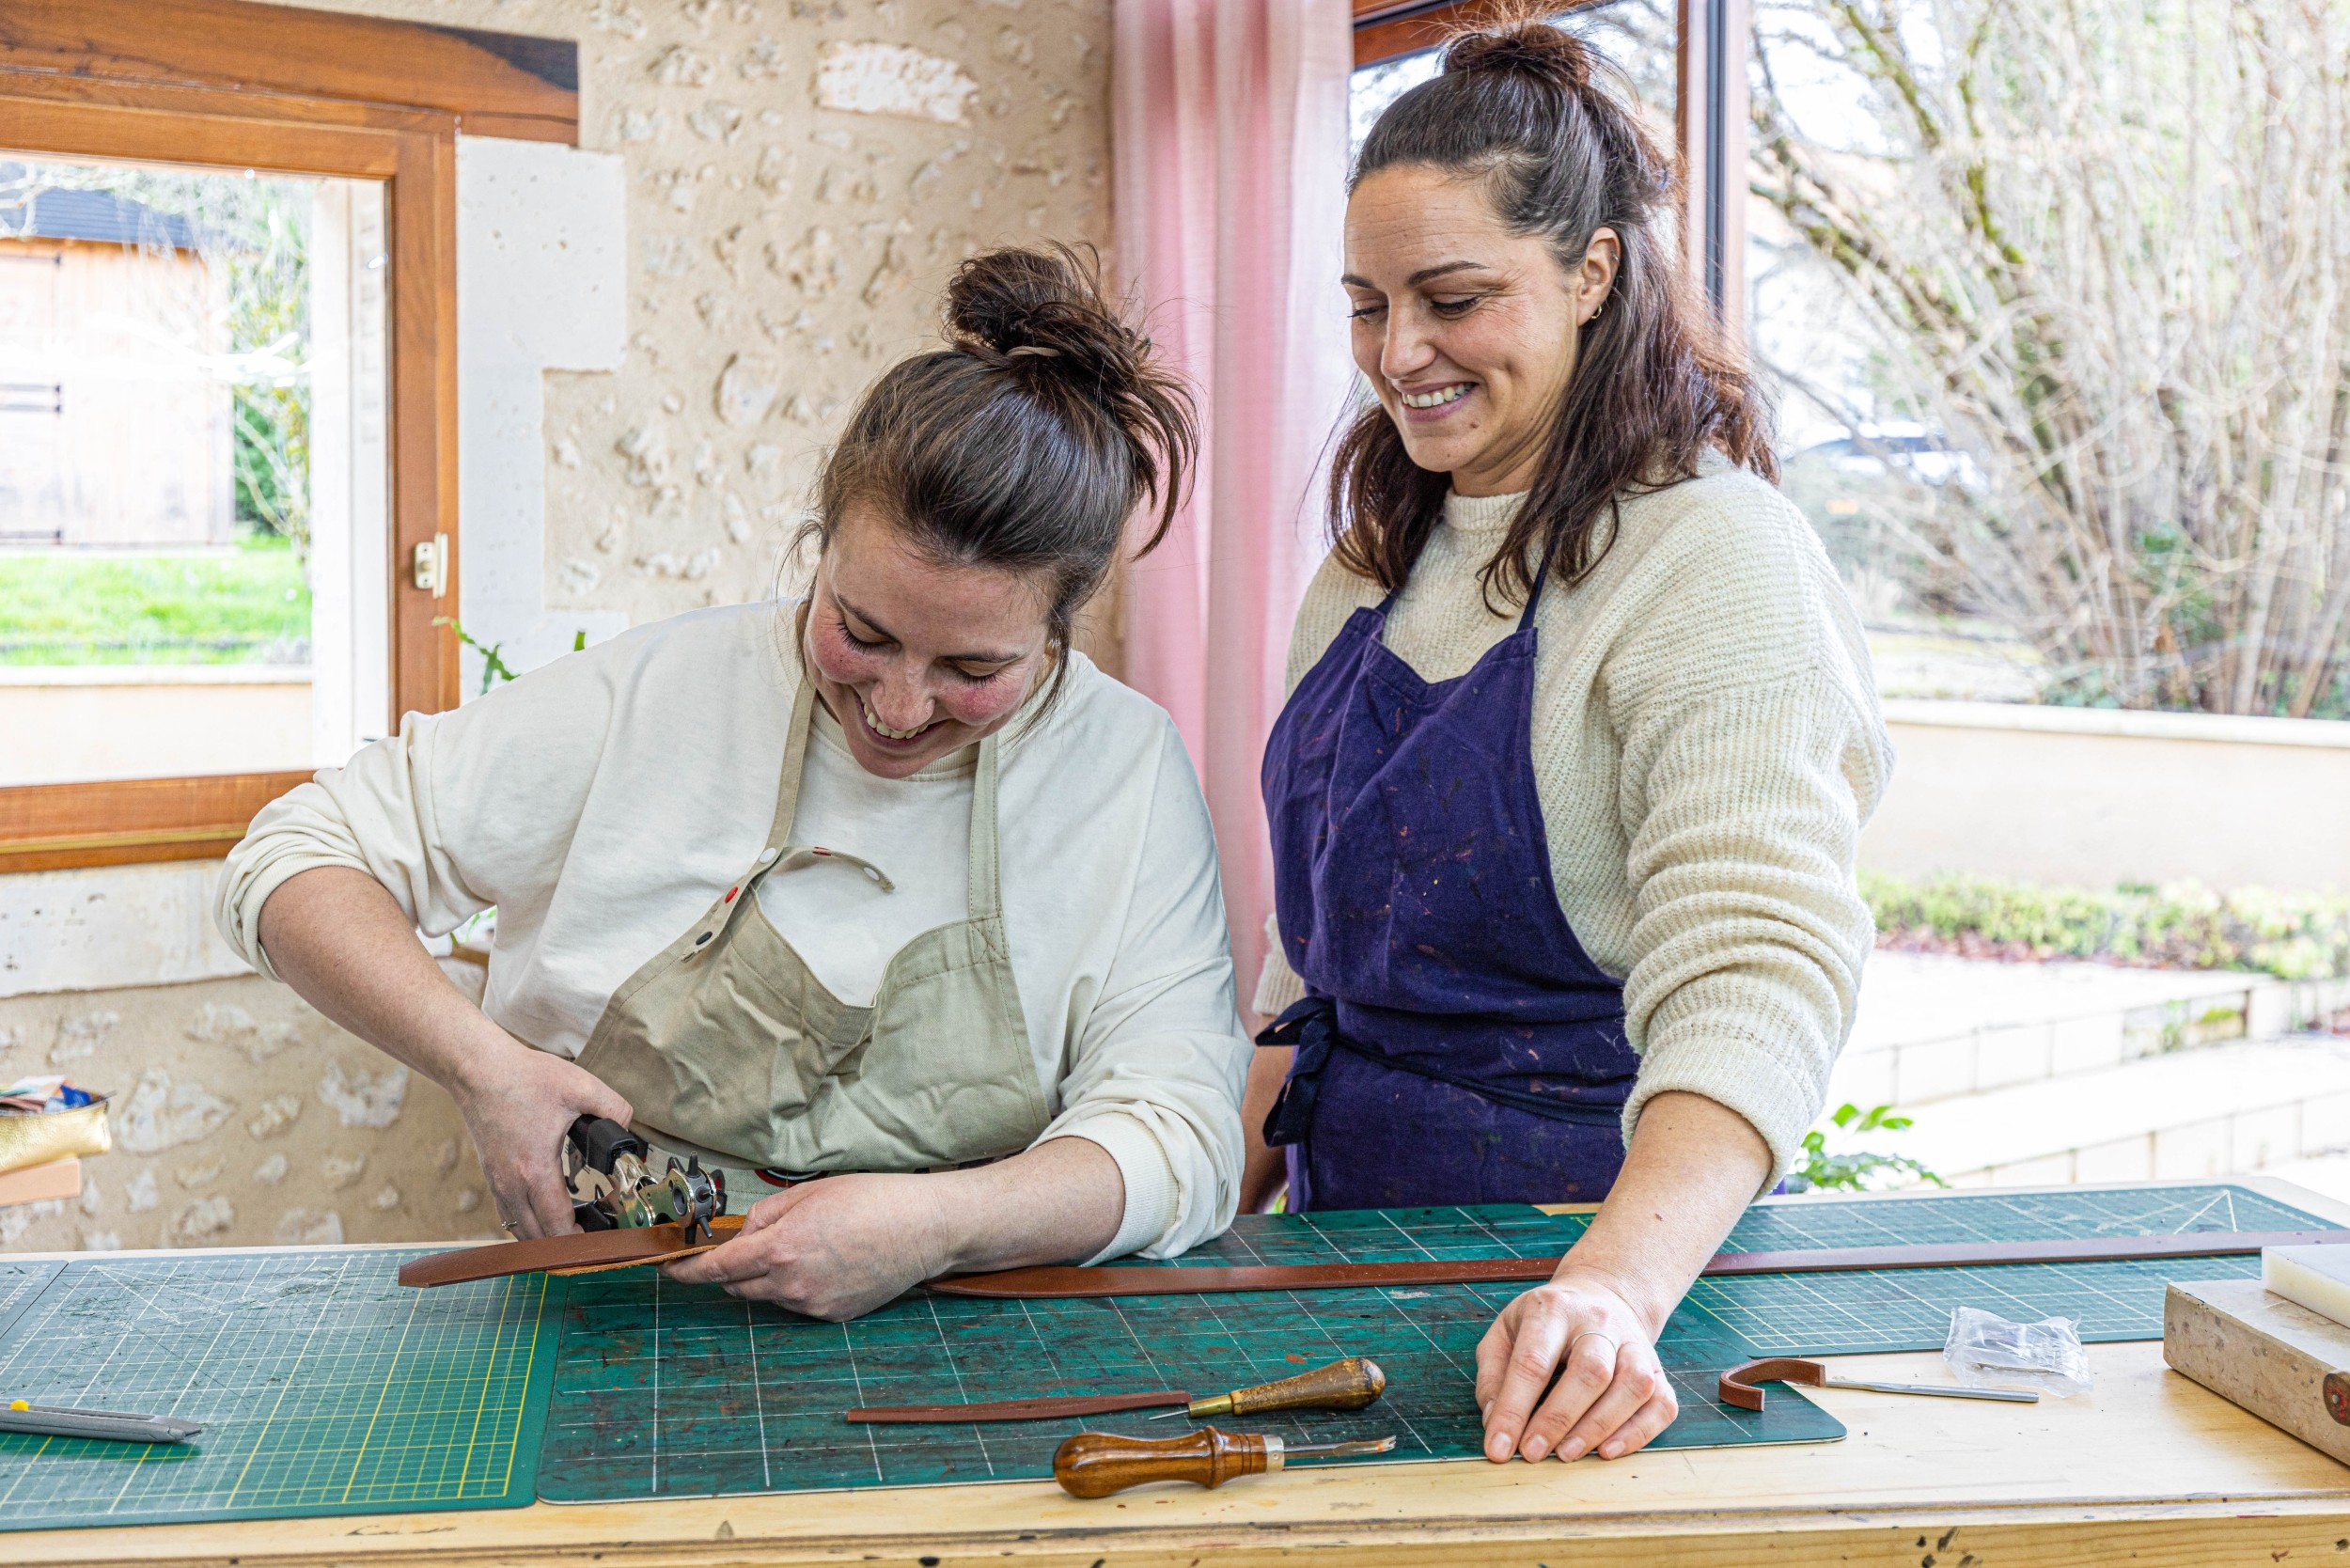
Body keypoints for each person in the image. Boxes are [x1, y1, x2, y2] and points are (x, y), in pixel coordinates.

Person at [217, 245, 1248, 1322]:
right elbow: (297, 856)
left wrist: (940, 1222)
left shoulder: (1122, 769)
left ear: (1059, 625)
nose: (897, 709)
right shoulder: (663, 692)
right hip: (611, 1310)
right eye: (860, 632)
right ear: (818, 548)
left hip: (958, 1320)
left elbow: (1182, 1137)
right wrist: (485, 1069)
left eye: (972, 670)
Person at [1246, 25, 1892, 1466]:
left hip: (1606, 1290)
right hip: (1343, 1246)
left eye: (1453, 299)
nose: (1399, 355)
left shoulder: (1714, 561)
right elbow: (1312, 966)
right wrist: (1197, 1217)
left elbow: (1758, 971)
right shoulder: (1372, 557)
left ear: (1593, 273)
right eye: (1366, 306)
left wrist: (1609, 1292)